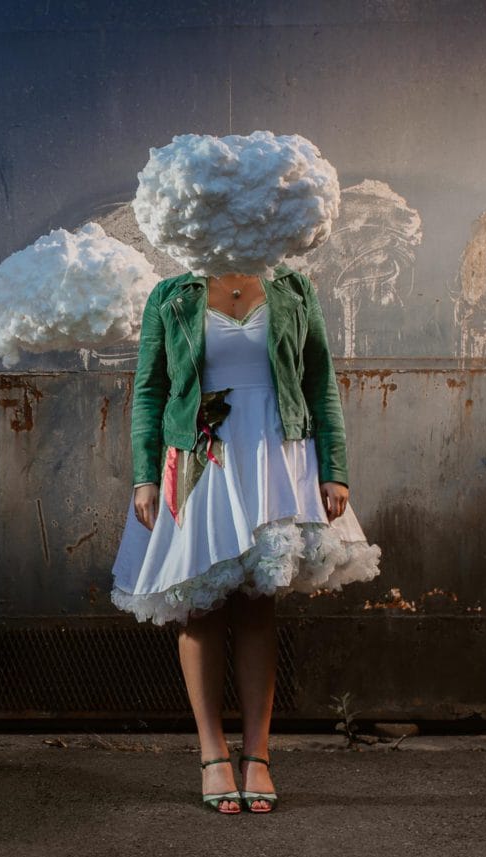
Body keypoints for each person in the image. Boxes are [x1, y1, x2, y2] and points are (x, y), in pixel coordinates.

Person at [111, 267, 379, 815]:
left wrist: (334, 468)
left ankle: (257, 756)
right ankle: (213, 755)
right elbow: (151, 388)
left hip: (278, 454)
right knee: (200, 606)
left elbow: (318, 381)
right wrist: (143, 474)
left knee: (259, 604)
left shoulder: (293, 288)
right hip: (200, 454)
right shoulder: (173, 293)